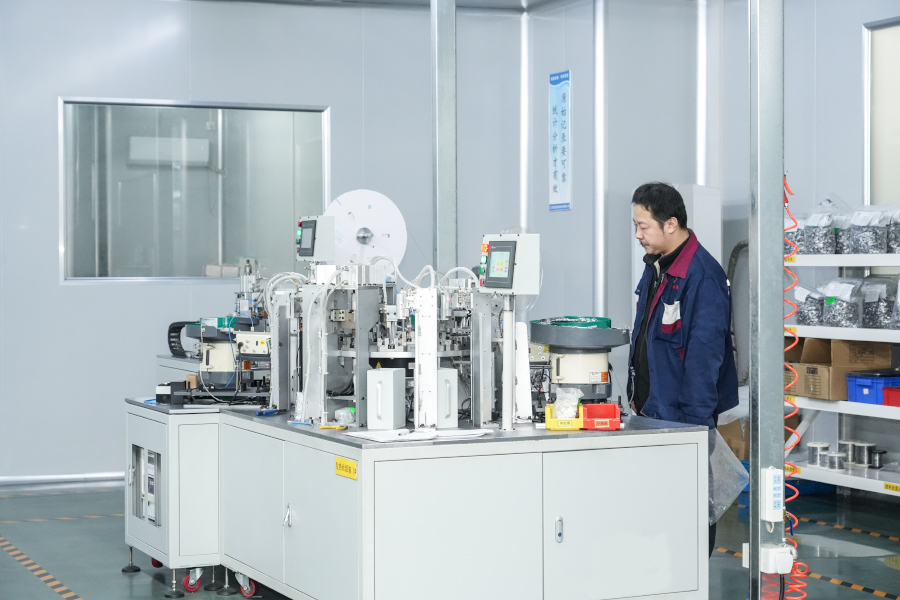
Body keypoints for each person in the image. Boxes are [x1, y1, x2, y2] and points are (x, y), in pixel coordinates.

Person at [626, 182, 739, 557]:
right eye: (636, 226)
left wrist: (694, 430)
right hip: (652, 414)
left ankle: (693, 578)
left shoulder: (702, 277)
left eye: (643, 226)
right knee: (658, 516)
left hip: (683, 422)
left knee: (689, 515)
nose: (638, 235)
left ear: (671, 223)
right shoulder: (657, 268)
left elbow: (705, 360)